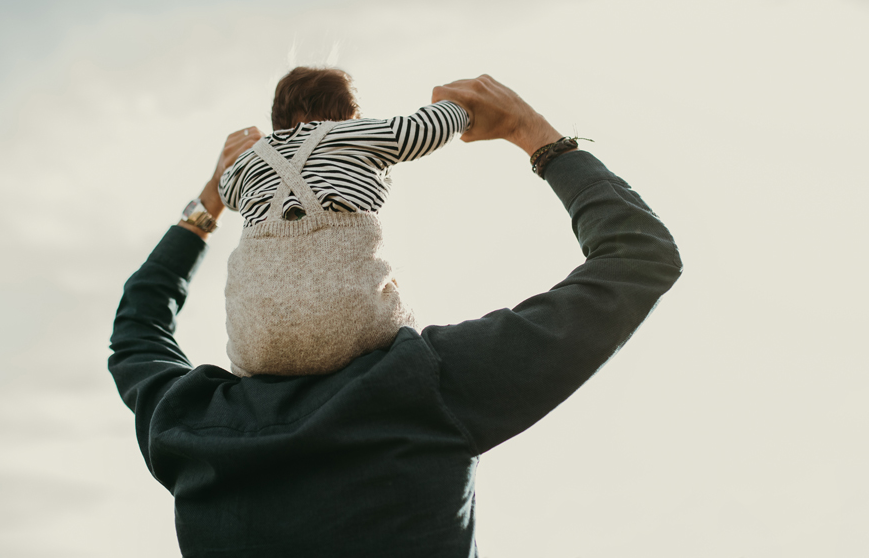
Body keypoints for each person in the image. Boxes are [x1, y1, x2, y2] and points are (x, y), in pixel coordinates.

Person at [109, 75, 682, 557]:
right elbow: (639, 259)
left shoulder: (190, 425)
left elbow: (136, 329)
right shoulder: (422, 387)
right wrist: (532, 133)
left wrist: (207, 204)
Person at [216, 66, 471, 376]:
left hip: (257, 343)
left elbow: (226, 192)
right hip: (352, 319)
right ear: (349, 113)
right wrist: (459, 107)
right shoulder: (350, 134)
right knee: (406, 339)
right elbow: (419, 131)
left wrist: (246, 156)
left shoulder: (251, 159)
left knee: (252, 352)